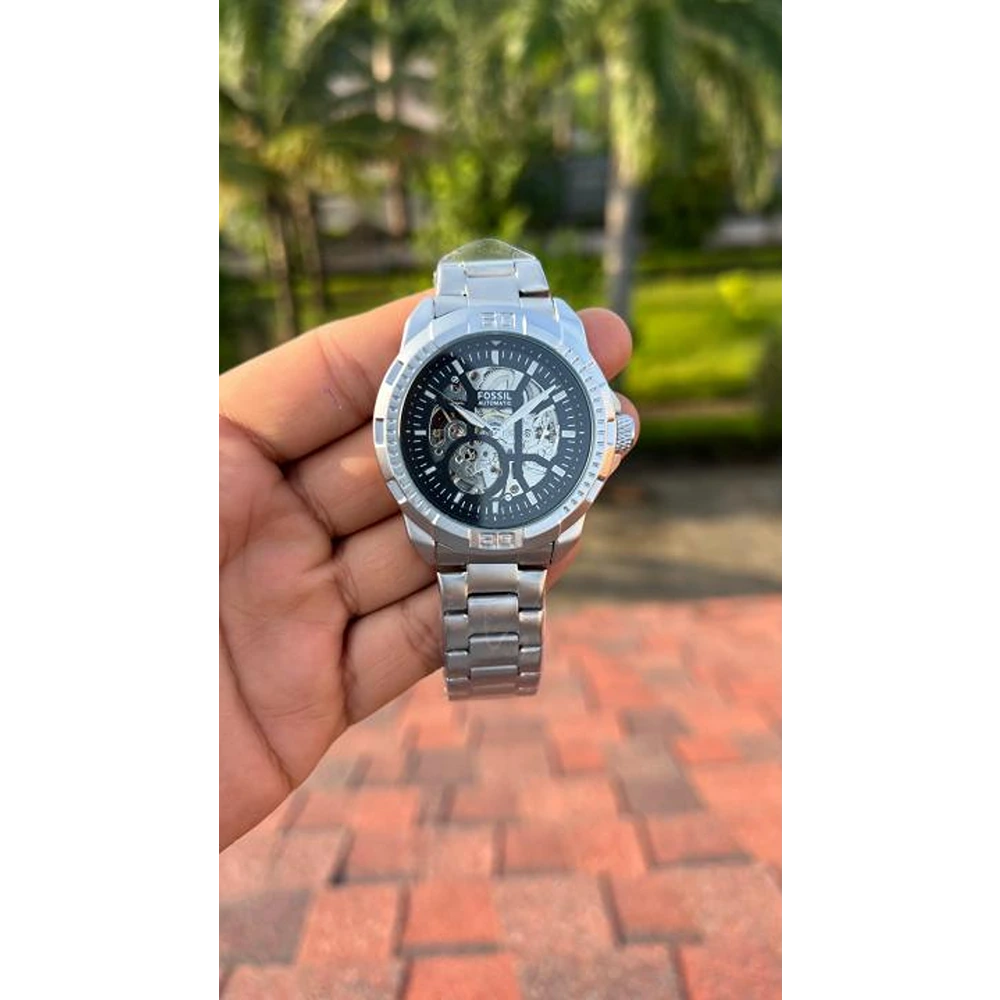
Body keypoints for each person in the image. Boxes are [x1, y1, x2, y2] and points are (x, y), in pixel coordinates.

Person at [216, 291, 639, 852]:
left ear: (608, 434)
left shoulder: (497, 350)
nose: (491, 440)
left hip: (514, 517)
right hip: (461, 518)